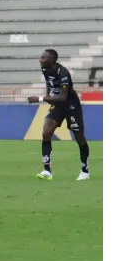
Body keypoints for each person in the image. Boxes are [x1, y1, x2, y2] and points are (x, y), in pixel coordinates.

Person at [27, 49, 90, 181]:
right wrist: (49, 94)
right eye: (41, 57)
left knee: (79, 138)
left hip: (71, 105)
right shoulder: (45, 69)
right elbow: (49, 83)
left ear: (52, 61)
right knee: (46, 132)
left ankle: (85, 170)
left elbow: (63, 97)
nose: (40, 60)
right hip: (58, 105)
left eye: (44, 58)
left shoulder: (63, 73)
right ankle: (47, 170)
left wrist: (40, 98)